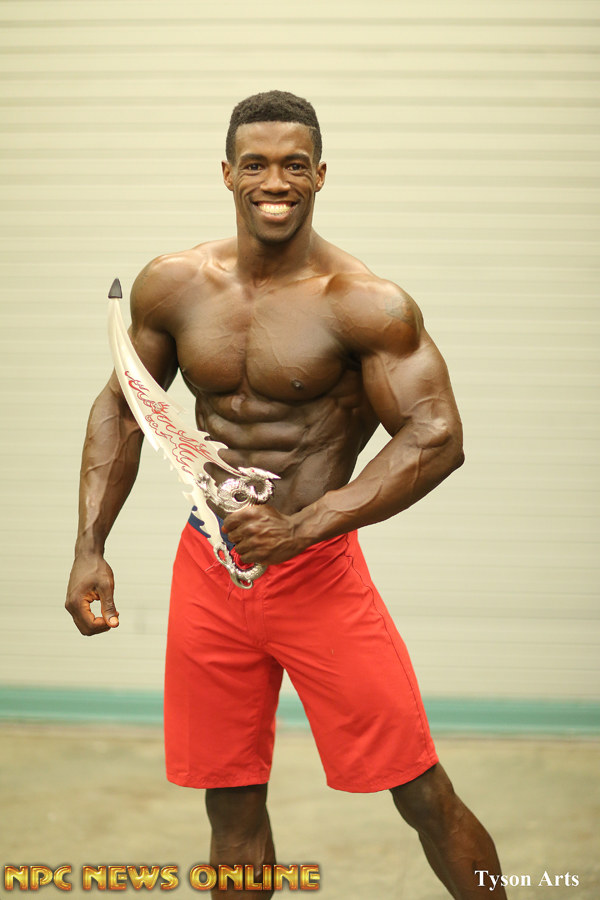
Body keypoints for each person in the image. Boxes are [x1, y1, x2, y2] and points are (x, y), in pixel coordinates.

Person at [66, 90, 507, 899]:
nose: (276, 182)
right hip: (210, 567)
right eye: (258, 165)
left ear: (321, 175)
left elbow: (437, 435)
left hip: (318, 575)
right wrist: (90, 546)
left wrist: (306, 527)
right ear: (227, 173)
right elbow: (123, 408)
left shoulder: (363, 302)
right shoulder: (173, 284)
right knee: (229, 803)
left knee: (417, 788)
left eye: (295, 165)